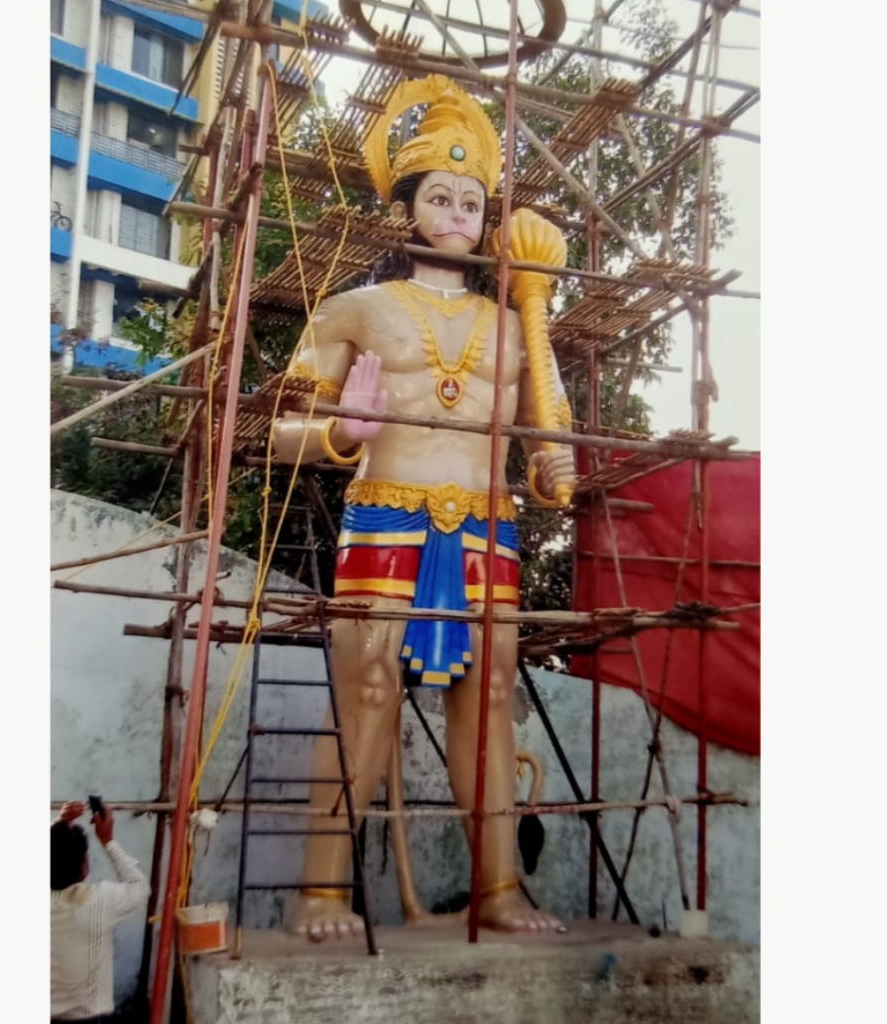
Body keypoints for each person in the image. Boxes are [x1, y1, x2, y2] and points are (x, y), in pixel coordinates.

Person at [272, 75, 575, 941]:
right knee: (366, 689)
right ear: (405, 208)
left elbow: (550, 458)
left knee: (491, 693)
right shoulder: (354, 309)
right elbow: (282, 430)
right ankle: (321, 891)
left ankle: (498, 891)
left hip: (486, 521)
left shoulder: (516, 325)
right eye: (439, 196)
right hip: (386, 513)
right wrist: (343, 430)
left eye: (472, 201)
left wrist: (550, 468)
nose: (457, 213)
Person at [51, 800, 149, 1021]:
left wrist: (57, 825)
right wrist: (107, 840)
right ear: (85, 866)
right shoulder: (100, 901)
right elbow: (140, 887)